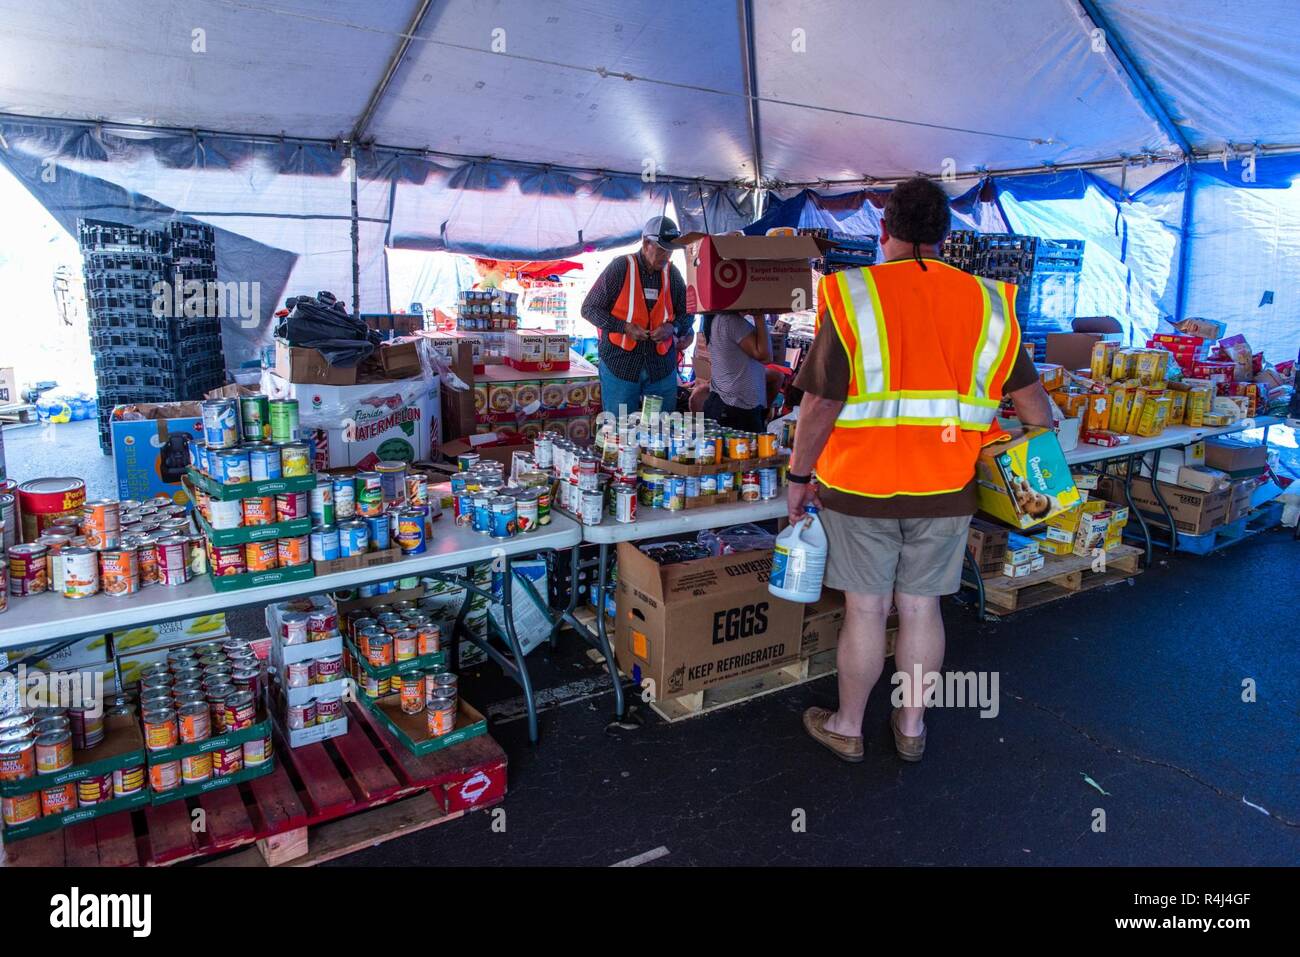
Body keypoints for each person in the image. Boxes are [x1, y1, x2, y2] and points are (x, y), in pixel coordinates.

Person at [787, 176, 1055, 764]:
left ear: (883, 230)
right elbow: (1039, 412)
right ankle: (910, 727)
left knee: (865, 609)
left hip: (860, 488)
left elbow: (821, 404)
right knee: (921, 608)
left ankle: (848, 726)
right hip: (947, 490)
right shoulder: (988, 302)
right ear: (947, 235)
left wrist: (798, 478)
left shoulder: (854, 295)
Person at [582, 217, 695, 419]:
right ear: (646, 244)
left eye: (670, 251)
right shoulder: (621, 267)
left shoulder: (672, 273)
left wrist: (673, 328)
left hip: (660, 368)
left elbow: (688, 312)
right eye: (661, 249)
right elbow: (589, 309)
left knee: (659, 432)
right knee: (620, 433)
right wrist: (624, 327)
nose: (666, 256)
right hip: (621, 366)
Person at [697, 312, 772, 432]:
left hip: (727, 406)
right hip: (736, 408)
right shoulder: (729, 319)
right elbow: (765, 356)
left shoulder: (720, 319)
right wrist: (759, 315)